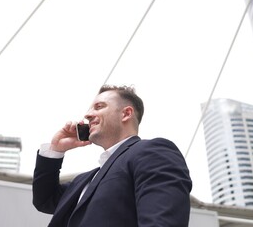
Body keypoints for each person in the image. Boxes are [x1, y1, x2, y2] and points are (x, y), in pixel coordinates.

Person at [32, 85, 192, 227]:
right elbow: (44, 200)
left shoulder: (153, 152)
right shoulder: (84, 180)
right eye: (90, 109)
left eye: (99, 107)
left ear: (126, 113)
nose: (87, 115)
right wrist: (56, 149)